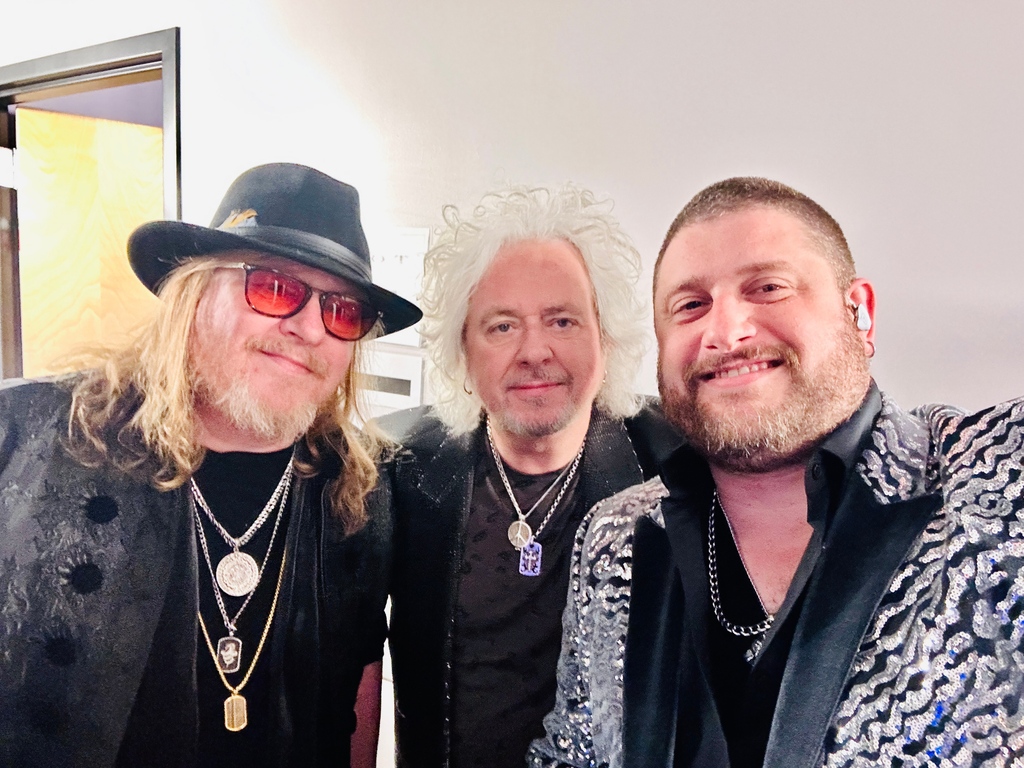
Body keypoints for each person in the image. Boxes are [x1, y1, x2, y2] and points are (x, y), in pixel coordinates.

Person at [528, 176, 1024, 767]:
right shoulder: (613, 538)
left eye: (767, 287)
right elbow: (571, 754)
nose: (725, 331)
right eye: (690, 306)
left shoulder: (993, 480)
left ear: (859, 314)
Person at [0, 163, 421, 768]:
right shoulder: (30, 440)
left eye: (343, 311)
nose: (307, 328)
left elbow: (355, 682)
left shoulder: (358, 491)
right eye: (274, 288)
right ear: (193, 294)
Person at [378, 185, 682, 768]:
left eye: (562, 320)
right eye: (501, 327)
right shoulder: (399, 469)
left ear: (605, 340)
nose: (534, 350)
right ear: (463, 352)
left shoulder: (677, 465)